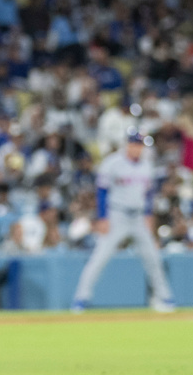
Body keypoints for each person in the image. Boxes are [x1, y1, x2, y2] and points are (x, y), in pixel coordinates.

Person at [71, 130, 175, 313]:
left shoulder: (146, 165)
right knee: (99, 258)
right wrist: (103, 218)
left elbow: (149, 194)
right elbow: (102, 191)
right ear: (127, 144)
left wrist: (149, 215)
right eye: (134, 143)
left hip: (139, 217)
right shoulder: (113, 163)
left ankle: (164, 297)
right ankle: (81, 298)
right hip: (117, 215)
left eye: (139, 144)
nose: (136, 147)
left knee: (152, 258)